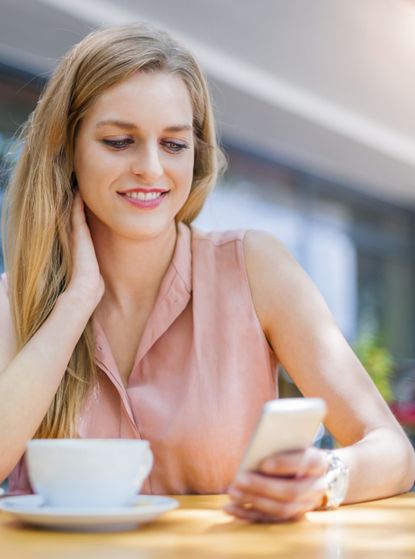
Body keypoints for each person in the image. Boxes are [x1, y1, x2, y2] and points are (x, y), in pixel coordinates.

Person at [0, 23, 413, 523]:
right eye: (118, 141)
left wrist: (321, 479)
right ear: (67, 150)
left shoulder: (254, 268)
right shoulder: (16, 300)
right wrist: (76, 300)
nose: (151, 168)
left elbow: (392, 450)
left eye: (173, 144)